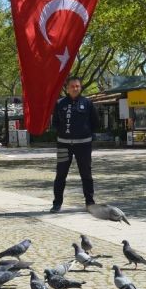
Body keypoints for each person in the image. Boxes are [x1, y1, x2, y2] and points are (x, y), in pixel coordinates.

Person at [50, 76, 99, 213]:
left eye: (77, 86)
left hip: (83, 145)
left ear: (81, 87)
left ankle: (90, 203)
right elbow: (55, 124)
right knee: (60, 175)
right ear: (67, 88)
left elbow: (95, 123)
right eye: (72, 86)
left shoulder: (88, 103)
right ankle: (57, 203)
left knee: (86, 175)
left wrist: (87, 135)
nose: (75, 88)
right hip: (63, 145)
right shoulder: (59, 103)